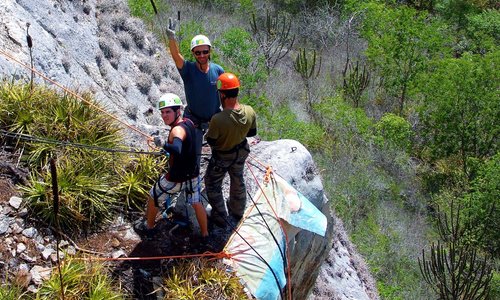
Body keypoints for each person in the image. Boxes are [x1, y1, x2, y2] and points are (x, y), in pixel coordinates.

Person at [141, 93, 208, 239]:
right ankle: (205, 234)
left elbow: (177, 148)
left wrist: (164, 144)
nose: (164, 115)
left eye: (168, 112)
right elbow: (183, 147)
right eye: (163, 112)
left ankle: (149, 228)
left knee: (153, 195)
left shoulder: (177, 130)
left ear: (177, 111)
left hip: (177, 177)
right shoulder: (188, 123)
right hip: (193, 174)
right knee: (197, 203)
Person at [165, 21, 224, 166]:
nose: (202, 55)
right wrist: (171, 38)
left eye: (205, 51)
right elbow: (176, 56)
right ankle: (192, 181)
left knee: (221, 152)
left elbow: (225, 94)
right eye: (198, 52)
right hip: (194, 119)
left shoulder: (218, 71)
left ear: (210, 51)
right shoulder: (188, 70)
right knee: (192, 154)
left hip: (214, 118)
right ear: (193, 53)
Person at [204, 73, 257, 227]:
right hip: (241, 152)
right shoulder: (249, 111)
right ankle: (238, 210)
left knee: (212, 183)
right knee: (237, 178)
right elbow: (252, 133)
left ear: (222, 94)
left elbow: (211, 140)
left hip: (223, 156)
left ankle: (220, 216)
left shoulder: (218, 119)